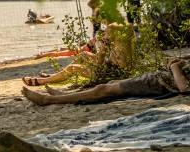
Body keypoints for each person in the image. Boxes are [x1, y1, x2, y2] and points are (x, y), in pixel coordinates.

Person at [22, 57, 189, 105]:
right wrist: (179, 61)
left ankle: (48, 99)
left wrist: (175, 67)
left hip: (156, 83)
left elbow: (184, 88)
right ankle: (66, 94)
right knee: (111, 83)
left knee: (102, 89)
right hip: (155, 77)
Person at [22, 22, 131, 87]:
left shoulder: (117, 46)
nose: (105, 34)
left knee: (73, 68)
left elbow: (100, 63)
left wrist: (103, 49)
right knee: (84, 54)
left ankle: (43, 81)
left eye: (107, 32)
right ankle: (57, 75)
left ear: (114, 34)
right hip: (109, 70)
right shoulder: (120, 42)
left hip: (110, 75)